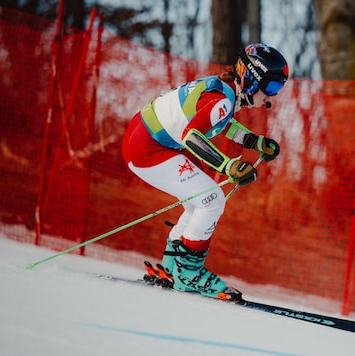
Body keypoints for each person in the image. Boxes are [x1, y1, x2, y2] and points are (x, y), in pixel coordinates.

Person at [121, 43, 289, 300]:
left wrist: (253, 141)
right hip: (147, 148)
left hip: (146, 139)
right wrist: (228, 165)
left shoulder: (225, 92)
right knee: (212, 200)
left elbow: (220, 123)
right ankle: (189, 273)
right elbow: (192, 136)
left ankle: (172, 266)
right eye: (272, 87)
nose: (272, 97)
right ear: (252, 80)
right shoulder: (223, 98)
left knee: (199, 202)